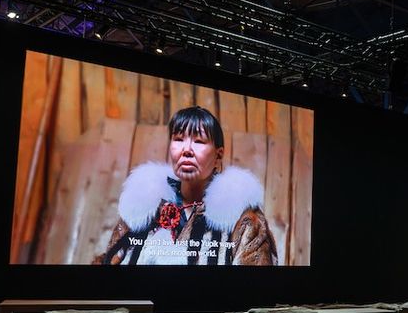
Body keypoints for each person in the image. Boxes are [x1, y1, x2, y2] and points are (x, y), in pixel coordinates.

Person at [94, 106, 277, 265]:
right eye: (179, 139)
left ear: (218, 156)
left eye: (198, 141)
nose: (186, 150)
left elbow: (253, 288)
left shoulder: (243, 219)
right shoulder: (143, 210)